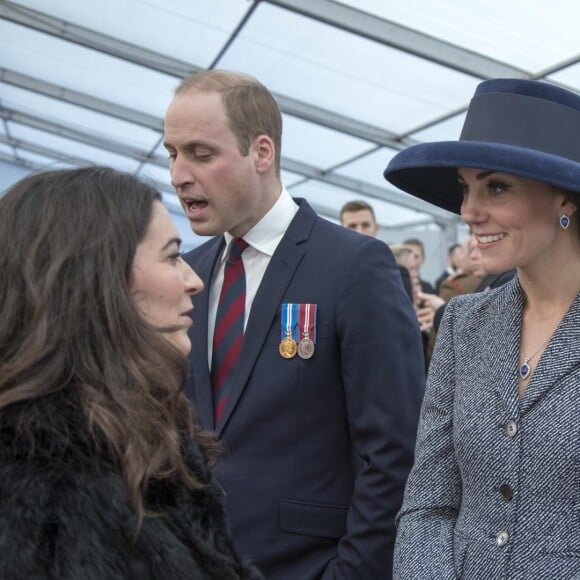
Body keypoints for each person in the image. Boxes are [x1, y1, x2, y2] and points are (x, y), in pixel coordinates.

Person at [163, 70, 426, 580]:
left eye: (200, 153)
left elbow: (396, 451)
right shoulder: (187, 273)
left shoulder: (354, 267)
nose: (178, 175)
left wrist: (352, 572)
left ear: (262, 153)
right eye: (172, 153)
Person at [0, 167, 263, 580]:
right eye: (173, 255)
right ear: (96, 278)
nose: (194, 280)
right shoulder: (53, 480)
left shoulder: (137, 431)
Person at [384, 78, 580, 578]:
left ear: (566, 200)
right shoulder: (464, 325)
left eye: (495, 187)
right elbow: (428, 502)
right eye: (465, 188)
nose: (469, 212)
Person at [338, 199, 414, 302]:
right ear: (340, 230)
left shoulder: (397, 271)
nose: (359, 231)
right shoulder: (332, 270)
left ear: (376, 228)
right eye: (352, 226)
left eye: (365, 225)